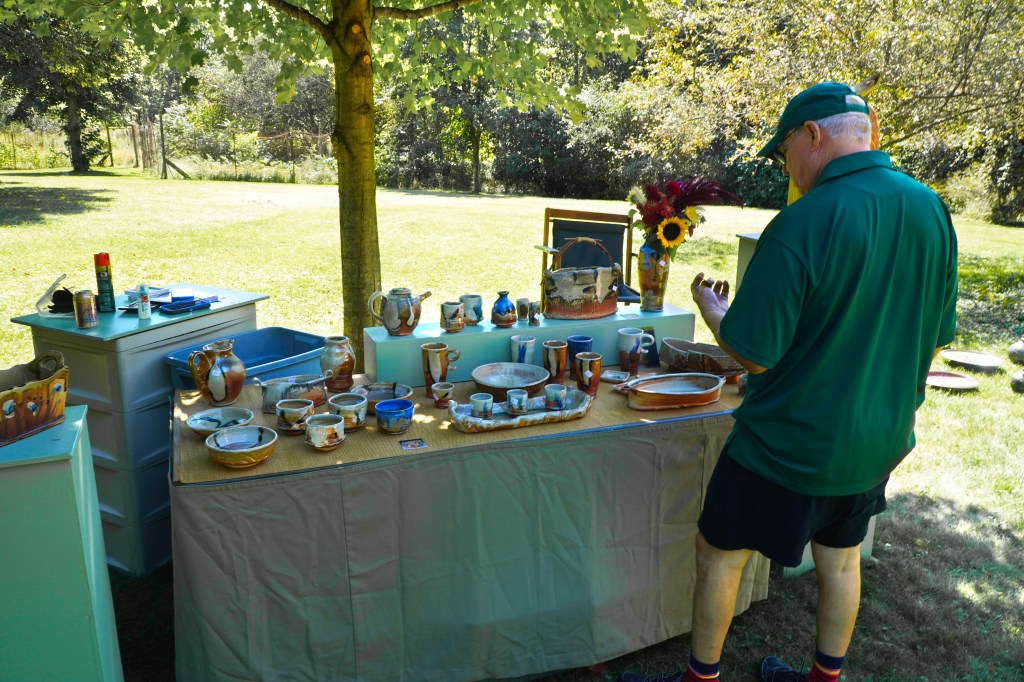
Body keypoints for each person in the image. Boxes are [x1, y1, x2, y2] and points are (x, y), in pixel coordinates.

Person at [620, 82, 958, 682]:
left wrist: (712, 309)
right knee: (842, 559)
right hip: (877, 439)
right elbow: (933, 337)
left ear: (813, 135)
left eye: (784, 154)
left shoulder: (803, 222)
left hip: (787, 443)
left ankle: (701, 678)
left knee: (719, 554)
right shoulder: (932, 210)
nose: (786, 169)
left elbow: (753, 355)